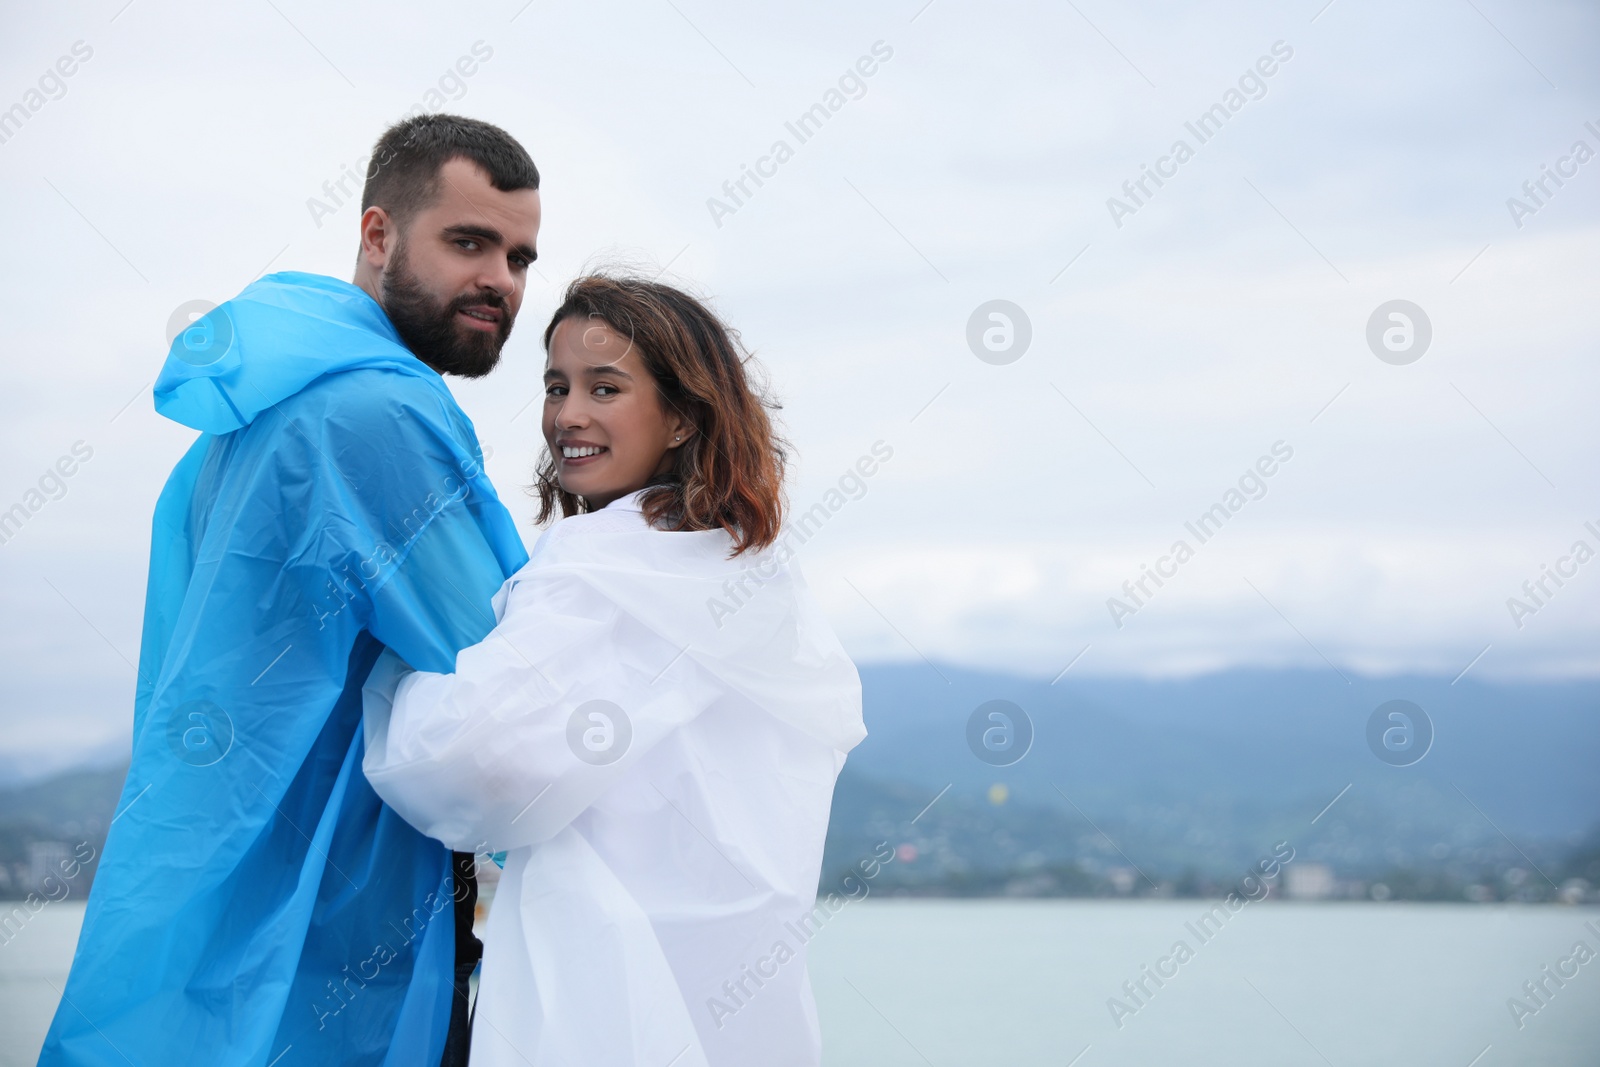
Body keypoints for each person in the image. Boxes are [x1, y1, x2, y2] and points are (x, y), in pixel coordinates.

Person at [39, 114, 541, 1067]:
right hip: (343, 937)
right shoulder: (377, 414)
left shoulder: (250, 411)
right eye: (469, 242)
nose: (502, 282)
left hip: (224, 922)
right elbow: (503, 681)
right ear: (378, 234)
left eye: (519, 257)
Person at [361, 274, 867, 1066]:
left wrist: (393, 676)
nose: (568, 415)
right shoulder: (751, 568)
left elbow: (471, 761)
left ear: (680, 416)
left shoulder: (606, 563)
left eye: (606, 387)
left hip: (605, 984)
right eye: (556, 386)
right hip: (735, 998)